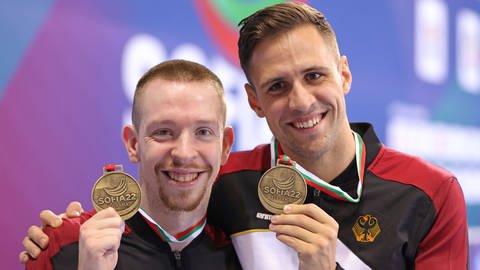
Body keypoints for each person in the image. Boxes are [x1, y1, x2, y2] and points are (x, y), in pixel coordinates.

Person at [20, 2, 468, 269]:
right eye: (277, 87)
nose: (301, 101)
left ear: (345, 74)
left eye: (314, 75)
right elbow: (155, 210)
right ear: (254, 101)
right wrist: (61, 238)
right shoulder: (227, 180)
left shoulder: (430, 193)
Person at [23, 59, 241, 269]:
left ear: (225, 146)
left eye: (203, 132)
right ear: (133, 144)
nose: (184, 153)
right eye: (163, 132)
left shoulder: (245, 253)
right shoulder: (66, 244)